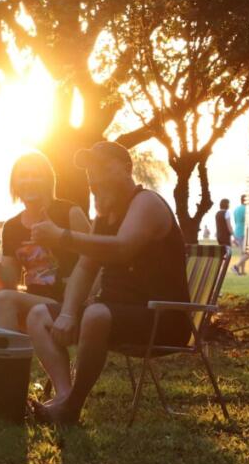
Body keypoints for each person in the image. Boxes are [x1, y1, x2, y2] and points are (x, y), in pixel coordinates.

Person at [24, 141, 192, 425]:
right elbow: (86, 266)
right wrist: (66, 313)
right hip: (113, 314)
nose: (94, 177)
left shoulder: (146, 203)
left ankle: (71, 407)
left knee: (96, 314)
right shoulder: (105, 215)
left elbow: (121, 248)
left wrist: (62, 236)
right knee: (38, 314)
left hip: (162, 319)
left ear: (126, 170)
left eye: (102, 168)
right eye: (90, 170)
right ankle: (65, 396)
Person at [0, 151, 90, 333]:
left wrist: (80, 303)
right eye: (23, 176)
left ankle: (7, 359)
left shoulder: (70, 212)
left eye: (36, 175)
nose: (29, 181)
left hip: (66, 305)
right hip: (29, 303)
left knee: (6, 300)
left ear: (48, 180)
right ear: (15, 184)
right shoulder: (12, 227)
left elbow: (97, 261)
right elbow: (8, 285)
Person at [232, 195, 249, 275]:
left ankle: (242, 271)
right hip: (244, 232)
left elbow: (236, 221)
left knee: (242, 253)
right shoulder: (247, 209)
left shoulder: (236, 209)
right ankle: (236, 267)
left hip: (237, 231)